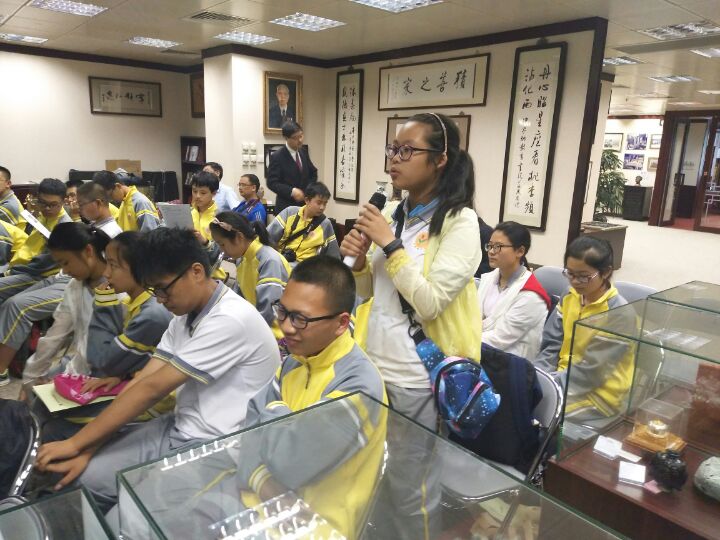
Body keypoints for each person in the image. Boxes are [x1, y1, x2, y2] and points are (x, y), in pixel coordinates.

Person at [116, 257, 387, 540]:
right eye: (283, 311)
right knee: (151, 516)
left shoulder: (359, 385)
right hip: (261, 498)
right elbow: (250, 431)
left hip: (309, 524)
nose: (286, 327)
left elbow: (289, 463)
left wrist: (273, 413)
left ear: (341, 323)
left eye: (300, 319)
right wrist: (264, 479)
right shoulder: (295, 362)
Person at [35, 227, 281, 512]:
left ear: (196, 272)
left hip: (215, 444)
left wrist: (76, 444)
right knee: (86, 481)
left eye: (163, 289)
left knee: (131, 516)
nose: (160, 299)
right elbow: (143, 381)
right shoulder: (184, 317)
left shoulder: (230, 319)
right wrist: (87, 448)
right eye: (154, 290)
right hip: (177, 425)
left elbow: (152, 390)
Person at [340, 112, 482, 539]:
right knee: (373, 473)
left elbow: (429, 303)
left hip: (415, 375)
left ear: (439, 159)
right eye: (393, 149)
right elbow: (372, 292)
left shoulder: (460, 223)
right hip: (373, 364)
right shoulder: (395, 213)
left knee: (411, 487)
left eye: (407, 150)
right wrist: (359, 263)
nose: (394, 159)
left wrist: (388, 243)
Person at [534, 236, 633, 421]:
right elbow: (552, 343)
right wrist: (538, 376)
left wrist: (549, 385)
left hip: (599, 394)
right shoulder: (569, 295)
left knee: (541, 414)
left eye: (583, 276)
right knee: (521, 398)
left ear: (606, 272)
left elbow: (593, 372)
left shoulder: (618, 313)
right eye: (570, 274)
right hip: (561, 378)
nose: (575, 282)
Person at [0, 179, 72, 386]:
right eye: (43, 203)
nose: (47, 209)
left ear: (63, 202)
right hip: (35, 271)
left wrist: (9, 272)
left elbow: (42, 264)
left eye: (53, 205)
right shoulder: (42, 217)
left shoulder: (64, 226)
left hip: (46, 275)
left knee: (16, 305)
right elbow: (30, 251)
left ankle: (2, 370)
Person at [210, 211, 290, 340]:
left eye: (222, 244)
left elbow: (268, 313)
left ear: (239, 237)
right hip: (256, 326)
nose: (221, 250)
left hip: (277, 336)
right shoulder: (243, 258)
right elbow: (238, 299)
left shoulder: (269, 260)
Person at [477, 221, 550, 359]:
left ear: (520, 251)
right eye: (490, 246)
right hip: (481, 350)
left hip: (509, 362)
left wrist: (463, 339)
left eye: (498, 247)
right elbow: (473, 318)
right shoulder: (489, 279)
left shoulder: (531, 295)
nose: (491, 251)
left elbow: (499, 339)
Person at [267, 182, 340, 265]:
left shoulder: (325, 224)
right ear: (307, 200)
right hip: (281, 261)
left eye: (325, 203)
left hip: (306, 268)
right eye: (319, 203)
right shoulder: (289, 212)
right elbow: (267, 237)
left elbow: (334, 256)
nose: (322, 207)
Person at [266, 121, 318, 213]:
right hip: (286, 207)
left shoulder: (303, 152)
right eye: (295, 138)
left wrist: (308, 191)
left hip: (304, 206)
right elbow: (271, 182)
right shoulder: (277, 156)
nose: (300, 140)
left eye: (301, 136)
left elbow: (313, 173)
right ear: (286, 138)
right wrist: (291, 191)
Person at [92, 170, 160, 232]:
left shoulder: (140, 202)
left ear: (118, 186)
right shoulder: (124, 202)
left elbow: (149, 235)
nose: (111, 200)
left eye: (110, 196)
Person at [190, 172, 226, 281]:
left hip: (211, 274)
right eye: (194, 191)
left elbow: (220, 253)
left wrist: (205, 242)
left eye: (203, 193)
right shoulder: (189, 212)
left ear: (213, 193)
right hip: (188, 270)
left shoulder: (220, 218)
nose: (197, 196)